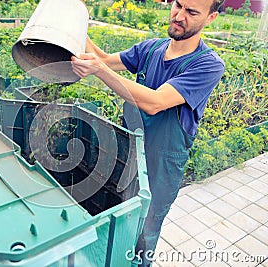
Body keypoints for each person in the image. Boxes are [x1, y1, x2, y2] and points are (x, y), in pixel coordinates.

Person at [71, 0, 225, 266]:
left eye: (191, 12)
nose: (179, 16)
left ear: (210, 18)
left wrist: (99, 70)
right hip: (126, 153)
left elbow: (154, 102)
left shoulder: (207, 65)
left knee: (143, 234)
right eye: (178, 5)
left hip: (160, 165)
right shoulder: (151, 48)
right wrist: (74, 21)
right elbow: (106, 61)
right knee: (115, 219)